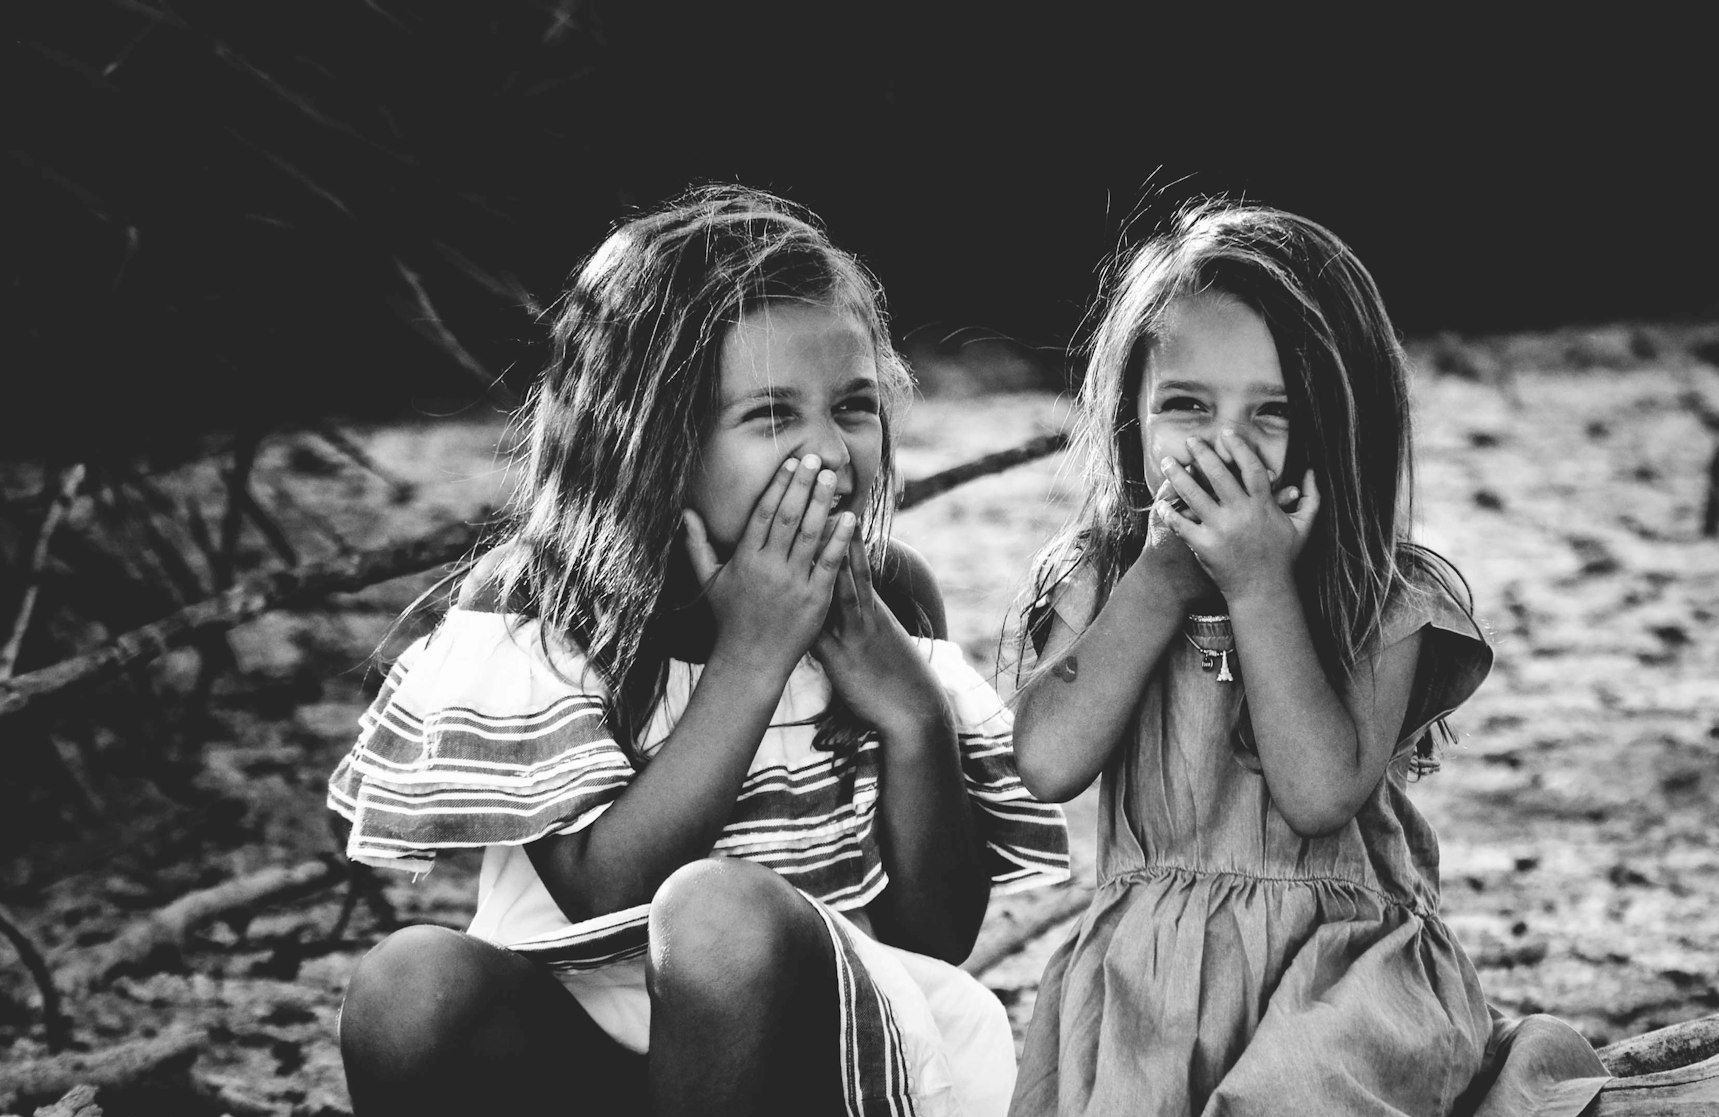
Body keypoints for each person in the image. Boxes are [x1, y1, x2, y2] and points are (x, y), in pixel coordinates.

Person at [326, 183, 1071, 1117]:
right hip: (582, 1051)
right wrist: (754, 656)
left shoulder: (888, 595)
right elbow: (603, 897)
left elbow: (939, 935)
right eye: (770, 417)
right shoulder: (543, 602)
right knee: (407, 985)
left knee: (723, 915)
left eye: (853, 406)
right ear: (652, 438)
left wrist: (912, 712)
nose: (830, 454)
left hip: (820, 1060)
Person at [1006, 200, 1610, 1116]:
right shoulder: (1102, 576)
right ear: (1131, 416)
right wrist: (1162, 584)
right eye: (1186, 405)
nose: (1225, 443)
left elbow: (1320, 789)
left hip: (1339, 985)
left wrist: (1258, 587)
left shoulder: (1381, 597)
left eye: (1274, 411)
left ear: (1341, 422)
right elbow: (1047, 760)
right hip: (1150, 988)